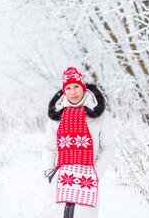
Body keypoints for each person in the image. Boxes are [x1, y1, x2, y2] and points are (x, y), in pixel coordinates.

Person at [41, 67, 115, 218]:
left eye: (76, 87)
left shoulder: (99, 115)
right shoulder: (57, 115)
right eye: (68, 88)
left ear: (83, 87)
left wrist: (95, 174)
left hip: (87, 180)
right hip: (59, 179)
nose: (73, 92)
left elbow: (108, 147)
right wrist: (50, 172)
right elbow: (49, 147)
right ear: (64, 91)